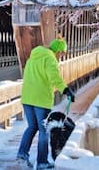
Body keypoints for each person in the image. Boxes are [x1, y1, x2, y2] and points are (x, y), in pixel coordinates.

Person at [16, 37, 73, 170]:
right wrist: (65, 89)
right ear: (58, 51)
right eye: (62, 53)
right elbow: (54, 78)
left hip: (27, 98)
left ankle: (22, 155)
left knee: (31, 127)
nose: (61, 56)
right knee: (44, 130)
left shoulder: (33, 57)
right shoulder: (50, 59)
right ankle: (42, 162)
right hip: (41, 100)